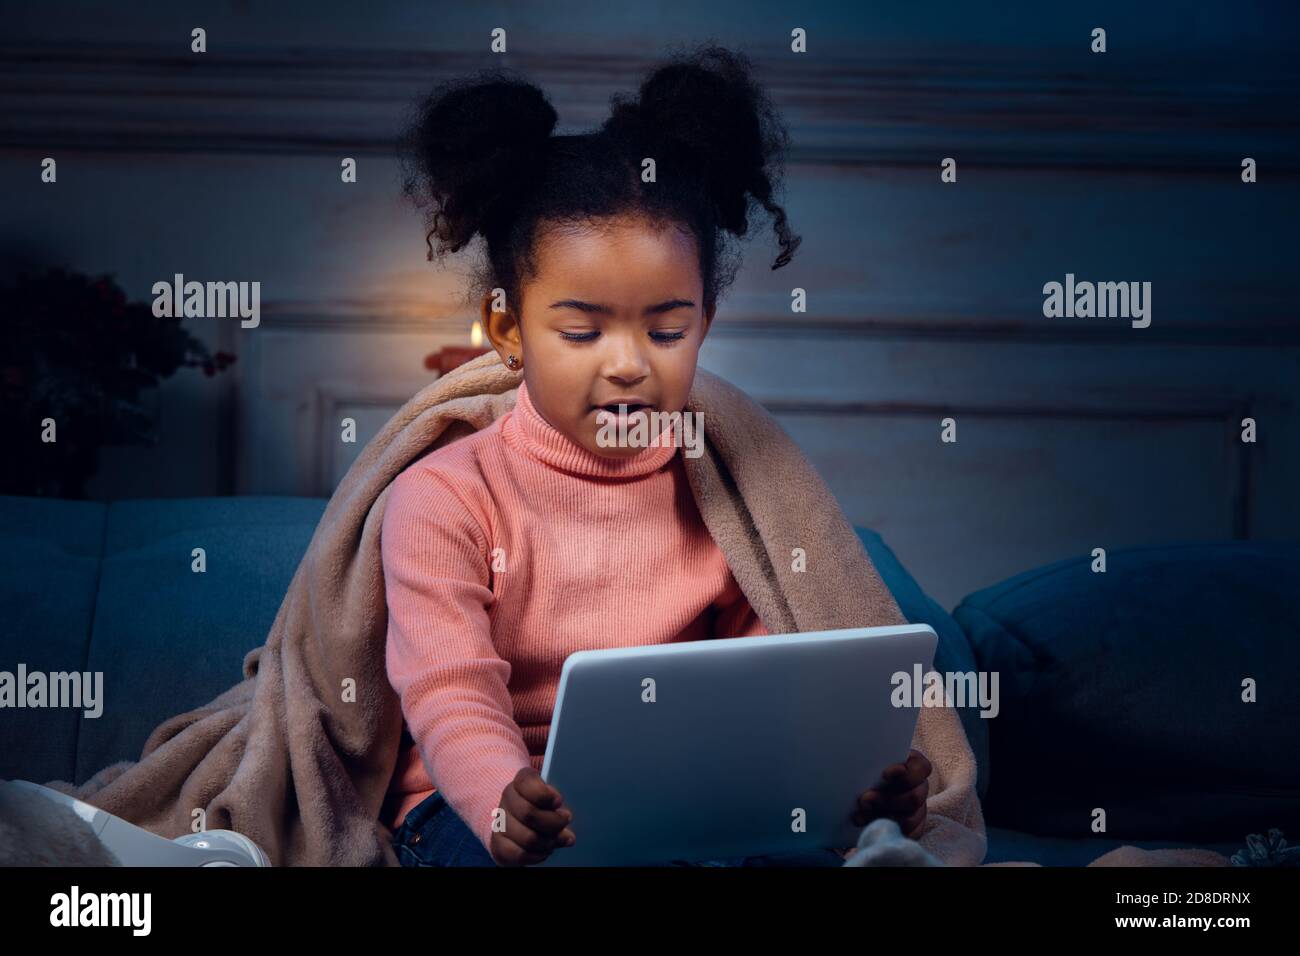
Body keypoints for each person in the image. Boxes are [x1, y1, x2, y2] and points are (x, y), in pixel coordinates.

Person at [381, 43, 931, 867]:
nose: (629, 362)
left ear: (704, 321)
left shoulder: (725, 490)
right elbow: (450, 693)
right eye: (581, 331)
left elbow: (774, 675)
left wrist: (855, 780)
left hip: (673, 812)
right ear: (507, 331)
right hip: (479, 814)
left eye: (667, 330)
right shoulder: (445, 497)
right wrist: (504, 800)